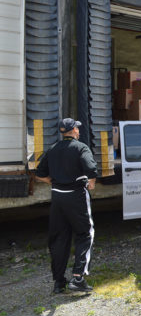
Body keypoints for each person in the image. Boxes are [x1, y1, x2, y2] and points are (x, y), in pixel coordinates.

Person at [36, 118, 98, 294]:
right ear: (74, 131)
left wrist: (54, 182)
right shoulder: (80, 147)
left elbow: (39, 174)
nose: (79, 130)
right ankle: (78, 277)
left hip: (57, 198)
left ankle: (58, 282)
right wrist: (91, 183)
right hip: (76, 196)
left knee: (59, 238)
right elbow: (91, 169)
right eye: (77, 128)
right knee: (85, 233)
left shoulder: (53, 149)